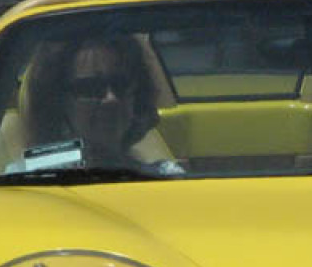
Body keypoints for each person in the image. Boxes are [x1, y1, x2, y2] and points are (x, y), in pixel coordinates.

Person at [11, 34, 183, 176]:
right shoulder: (24, 181)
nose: (111, 99)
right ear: (58, 102)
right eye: (91, 88)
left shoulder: (164, 177)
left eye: (121, 84)